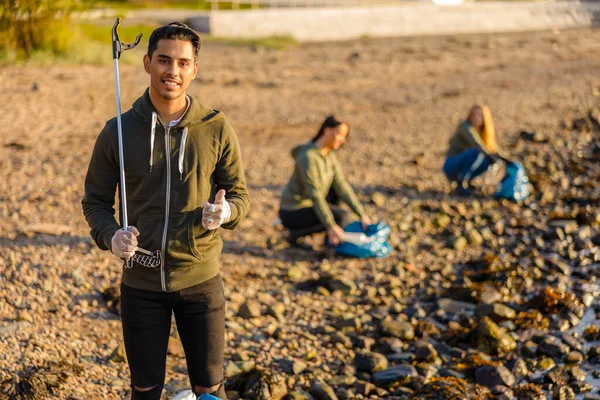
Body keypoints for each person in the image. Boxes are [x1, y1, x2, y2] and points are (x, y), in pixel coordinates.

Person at [82, 22, 250, 400]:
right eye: (163, 60)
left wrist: (224, 214)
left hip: (201, 282)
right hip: (140, 285)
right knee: (144, 389)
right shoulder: (118, 131)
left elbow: (239, 195)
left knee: (209, 388)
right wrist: (111, 236)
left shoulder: (215, 127)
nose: (172, 70)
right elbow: (95, 202)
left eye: (182, 63)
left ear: (194, 69)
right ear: (146, 63)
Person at [279, 116, 371, 247]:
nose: (342, 139)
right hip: (293, 210)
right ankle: (303, 235)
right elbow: (315, 194)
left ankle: (331, 236)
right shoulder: (308, 158)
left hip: (310, 204)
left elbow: (342, 186)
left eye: (344, 136)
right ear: (326, 130)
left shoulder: (329, 156)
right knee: (342, 216)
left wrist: (362, 214)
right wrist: (331, 225)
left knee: (336, 191)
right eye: (339, 134)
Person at [443, 104, 508, 196]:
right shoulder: (465, 127)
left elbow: (493, 148)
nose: (476, 118)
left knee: (487, 160)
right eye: (473, 115)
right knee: (478, 153)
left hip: (461, 164)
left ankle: (466, 182)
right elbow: (478, 145)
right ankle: (461, 183)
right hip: (451, 165)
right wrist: (491, 156)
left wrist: (506, 159)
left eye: (479, 116)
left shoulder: (483, 132)